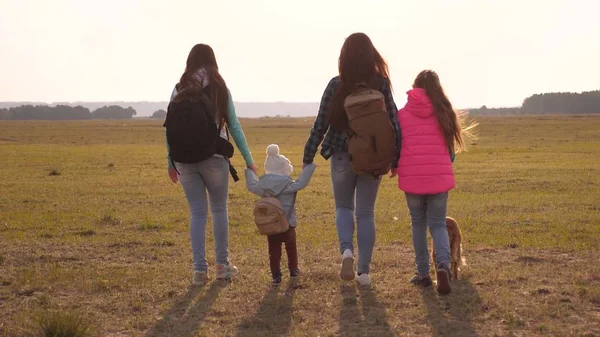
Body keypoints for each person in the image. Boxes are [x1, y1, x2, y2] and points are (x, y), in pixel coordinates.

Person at [302, 33, 401, 286]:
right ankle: (364, 273)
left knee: (343, 208)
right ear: (371, 56)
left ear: (343, 58)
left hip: (341, 155)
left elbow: (320, 123)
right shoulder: (381, 84)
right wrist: (396, 158)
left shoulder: (336, 85)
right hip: (373, 156)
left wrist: (308, 155)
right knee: (366, 213)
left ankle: (346, 251)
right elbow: (394, 122)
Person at [166, 44, 258, 285]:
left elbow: (169, 128)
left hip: (183, 160)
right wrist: (249, 160)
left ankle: (199, 270)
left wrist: (170, 161)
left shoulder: (179, 88)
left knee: (197, 213)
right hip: (215, 157)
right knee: (218, 210)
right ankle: (221, 265)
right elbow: (235, 126)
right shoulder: (219, 87)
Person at [397, 70, 477, 295]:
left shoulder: (402, 114)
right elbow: (451, 154)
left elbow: (398, 146)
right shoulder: (444, 112)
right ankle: (443, 266)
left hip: (412, 179)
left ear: (415, 88)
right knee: (438, 224)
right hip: (439, 179)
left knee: (418, 224)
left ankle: (422, 273)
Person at [246, 144, 316, 286]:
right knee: (291, 247)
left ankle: (276, 275)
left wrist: (249, 171)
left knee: (274, 251)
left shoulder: (262, 186)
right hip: (288, 223)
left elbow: (251, 185)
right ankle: (293, 269)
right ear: (285, 169)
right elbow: (301, 183)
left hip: (270, 224)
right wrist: (309, 167)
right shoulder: (289, 185)